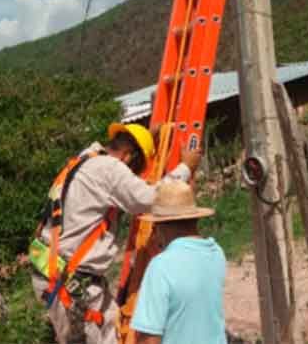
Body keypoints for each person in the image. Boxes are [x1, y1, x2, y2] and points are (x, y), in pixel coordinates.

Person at [30, 123, 202, 344]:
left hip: (52, 269)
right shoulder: (110, 168)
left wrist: (145, 138)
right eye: (135, 170)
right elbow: (149, 198)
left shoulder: (87, 158)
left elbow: (122, 168)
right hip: (69, 281)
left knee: (111, 322)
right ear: (129, 157)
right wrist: (186, 167)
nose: (132, 176)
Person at [131, 180, 227, 344]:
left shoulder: (161, 267)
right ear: (195, 219)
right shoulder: (216, 253)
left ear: (160, 226)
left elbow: (149, 339)